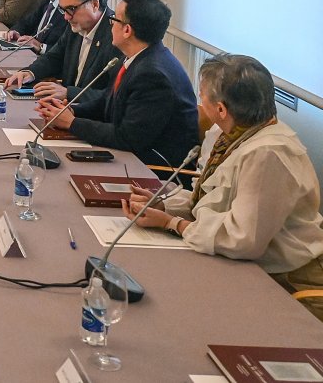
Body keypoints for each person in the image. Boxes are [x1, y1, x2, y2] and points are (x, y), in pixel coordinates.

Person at [123, 54, 323, 321]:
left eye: (202, 95)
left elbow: (242, 240)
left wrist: (173, 224)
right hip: (244, 265)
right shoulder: (228, 133)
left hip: (286, 280)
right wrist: (164, 205)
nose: (199, 102)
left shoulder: (268, 153)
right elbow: (211, 199)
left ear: (221, 109)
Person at [35, 0, 199, 174]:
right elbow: (108, 101)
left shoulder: (153, 75)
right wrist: (71, 110)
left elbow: (128, 138)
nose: (109, 23)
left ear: (127, 30)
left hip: (152, 171)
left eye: (114, 20)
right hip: (128, 156)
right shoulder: (136, 57)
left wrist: (72, 123)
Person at [5, 0, 119, 100]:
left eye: (71, 9)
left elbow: (112, 96)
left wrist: (68, 93)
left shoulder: (116, 36)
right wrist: (30, 72)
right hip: (65, 107)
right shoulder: (76, 25)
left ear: (95, 4)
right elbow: (54, 57)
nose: (66, 17)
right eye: (63, 10)